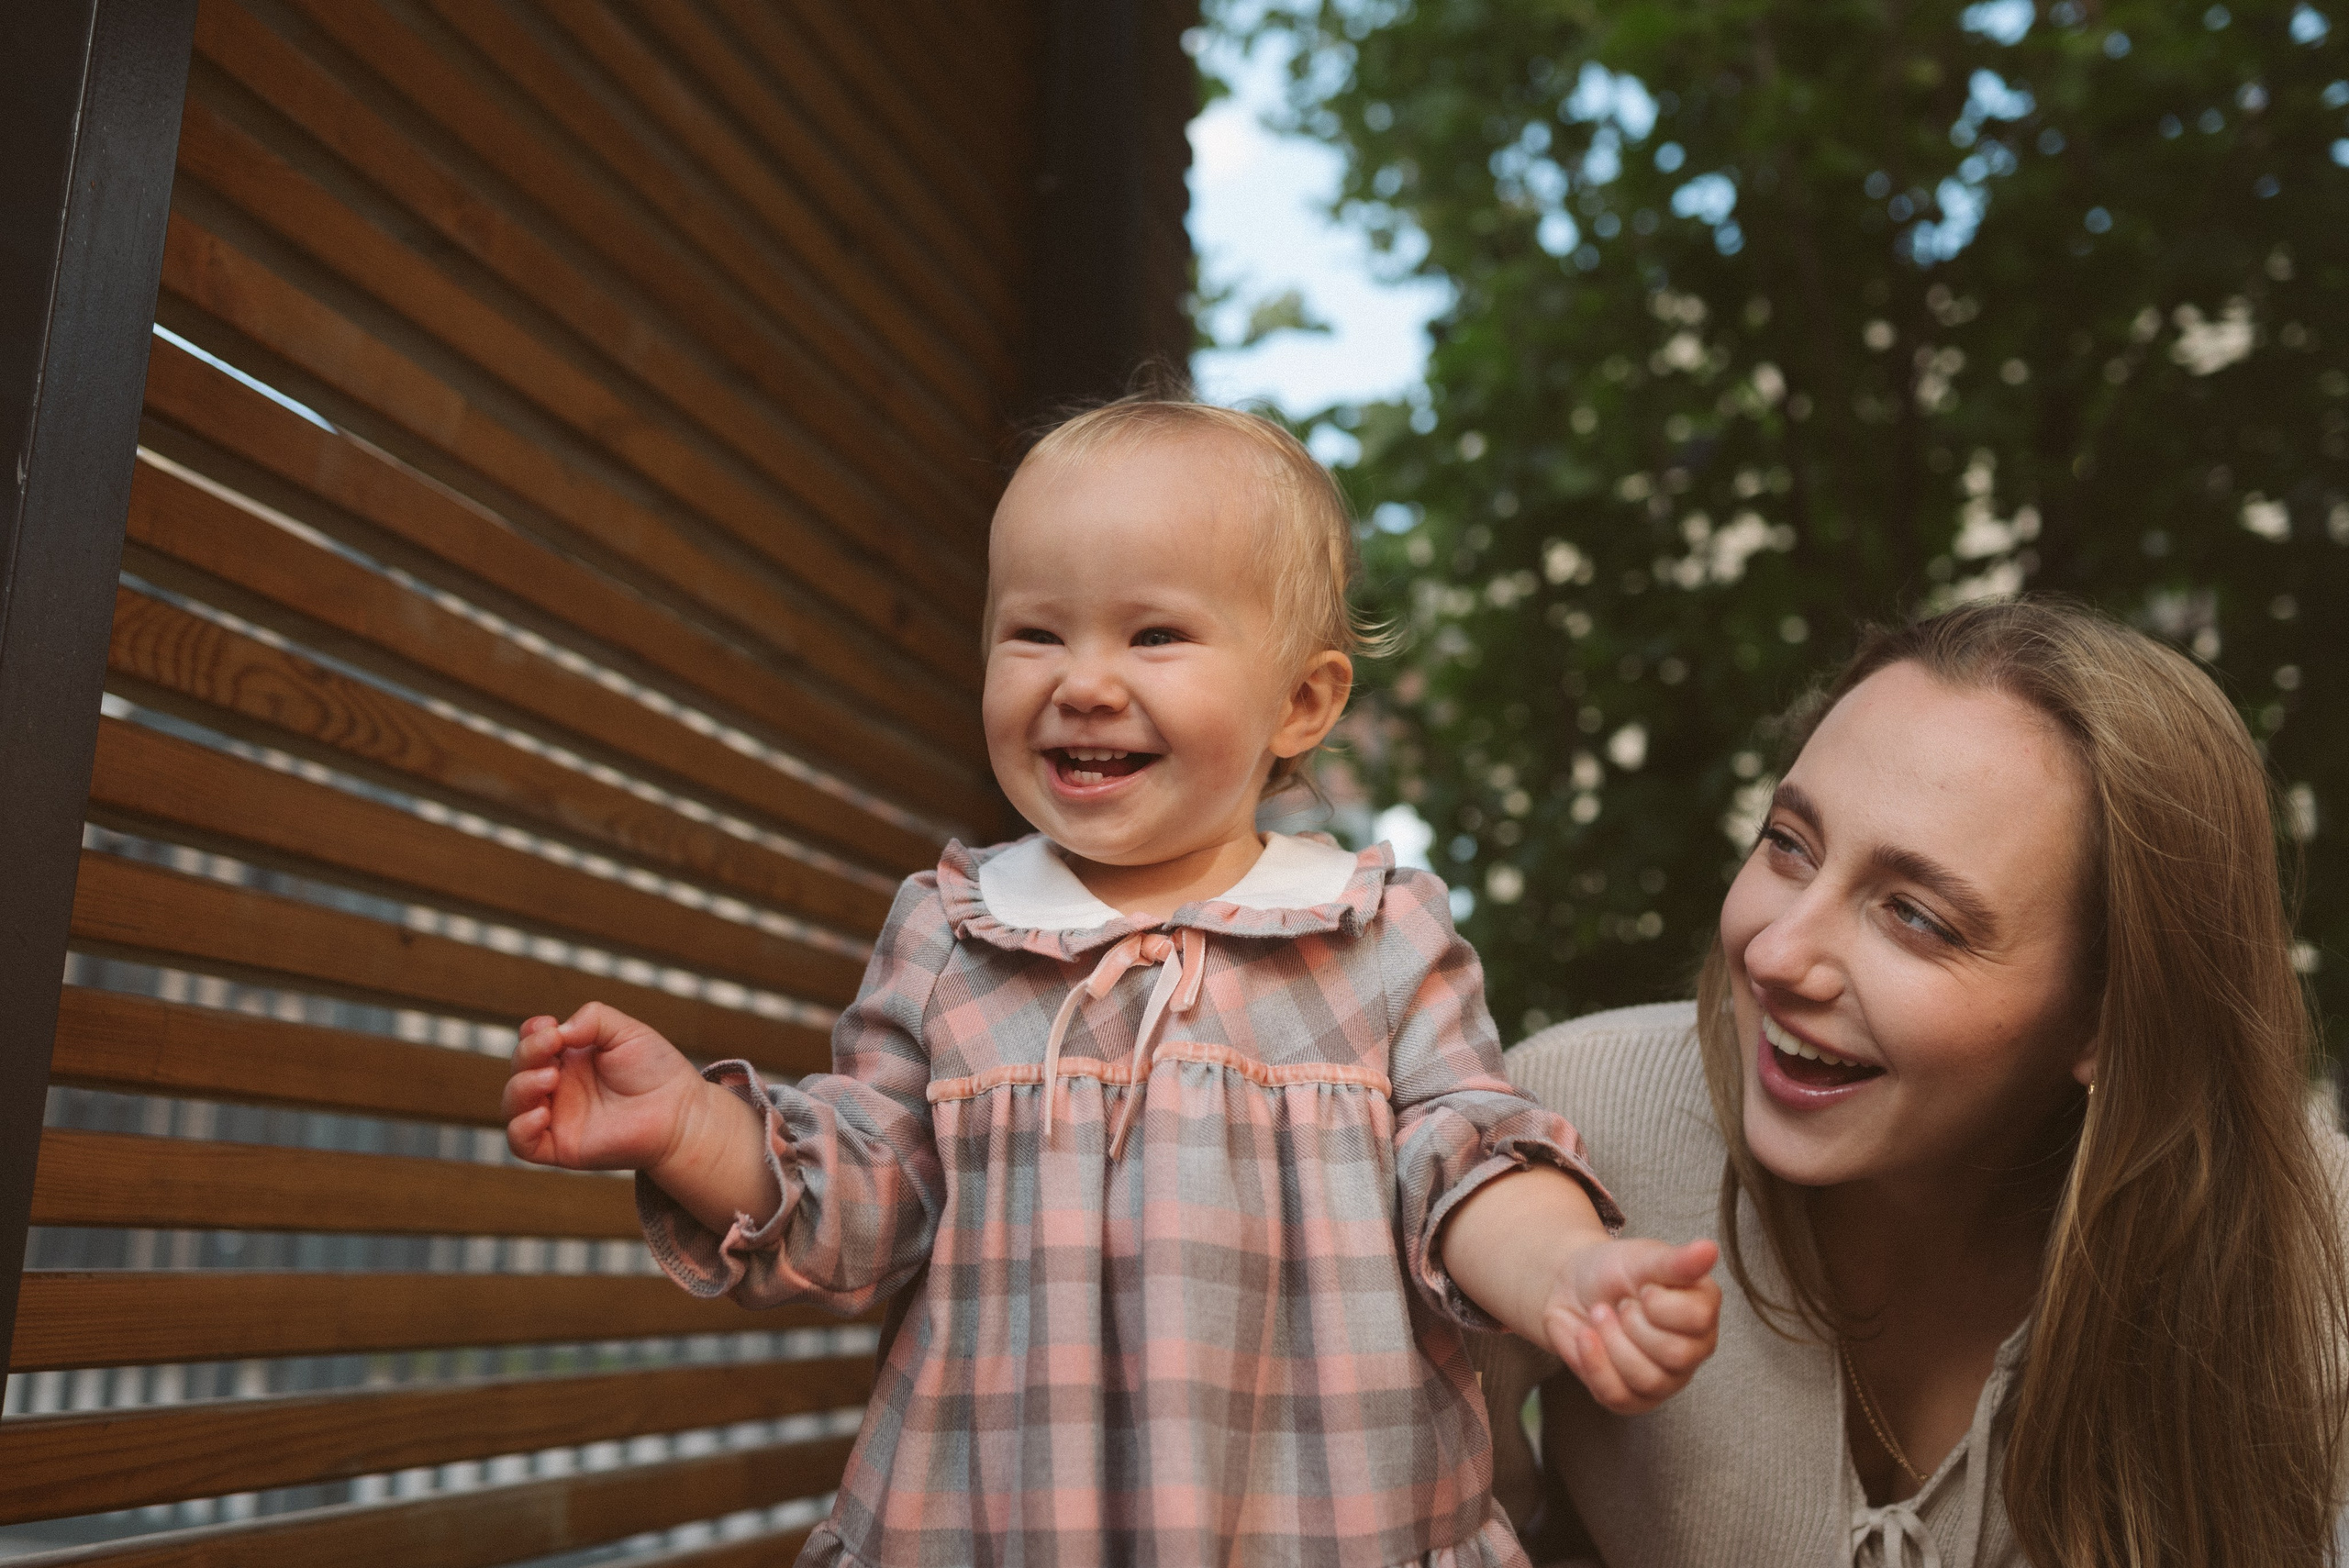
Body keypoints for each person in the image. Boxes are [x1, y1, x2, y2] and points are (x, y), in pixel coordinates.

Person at [503, 395, 1723, 1568]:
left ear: (1303, 700)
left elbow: (1461, 1163)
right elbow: (860, 1203)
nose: (1082, 680)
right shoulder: (954, 933)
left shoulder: (1376, 933)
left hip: (1321, 1521)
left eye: (1153, 634)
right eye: (1036, 631)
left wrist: (1564, 1268)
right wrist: (692, 1126)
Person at [1474, 598, 2349, 1568]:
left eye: (1915, 916)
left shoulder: (2315, 1252)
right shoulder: (1569, 1125)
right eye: (1788, 843)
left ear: (2107, 1015)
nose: (1775, 952)